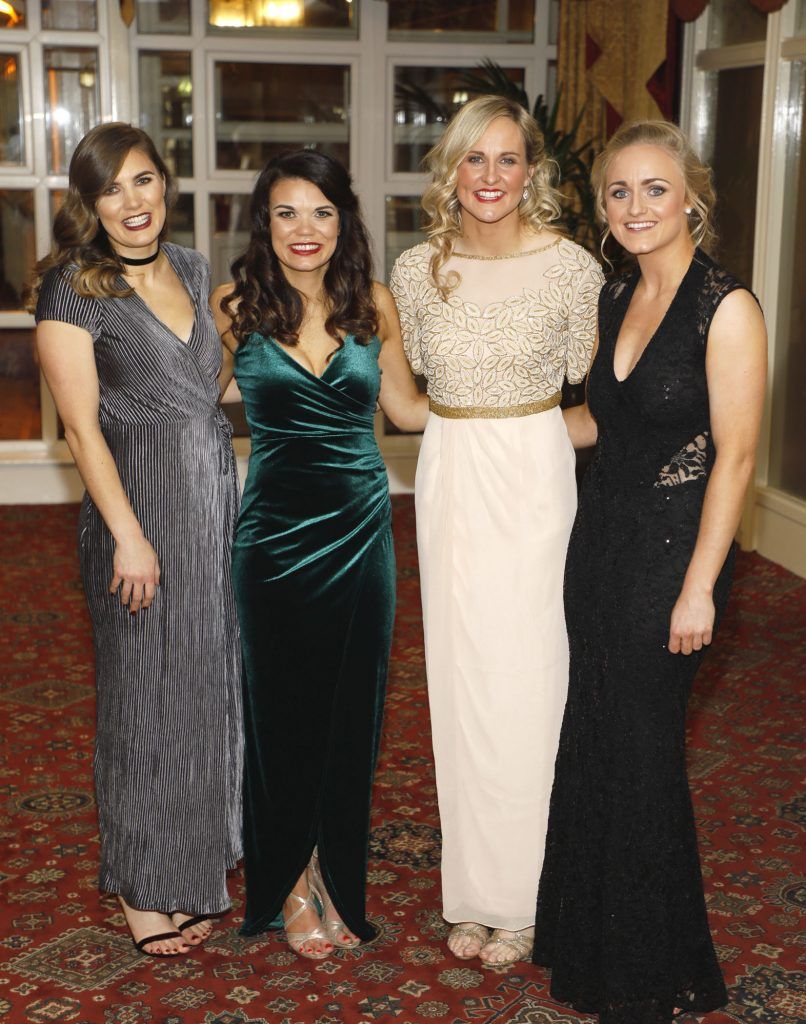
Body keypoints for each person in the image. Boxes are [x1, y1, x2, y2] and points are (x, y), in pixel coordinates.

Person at [533, 120, 767, 1024]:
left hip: (675, 556)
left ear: (691, 199)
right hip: (599, 548)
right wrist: (495, 439)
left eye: (655, 189)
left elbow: (736, 460)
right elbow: (605, 426)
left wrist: (701, 585)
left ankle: (647, 975)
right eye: (619, 193)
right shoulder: (615, 296)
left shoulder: (726, 306)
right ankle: (593, 947)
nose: (636, 207)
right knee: (596, 735)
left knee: (643, 756)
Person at [389, 95, 604, 967]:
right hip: (449, 480)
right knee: (461, 680)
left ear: (532, 172)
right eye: (473, 159)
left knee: (532, 679)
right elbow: (403, 399)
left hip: (537, 482)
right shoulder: (414, 270)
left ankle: (528, 896)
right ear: (452, 170)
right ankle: (474, 893)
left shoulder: (573, 269)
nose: (490, 177)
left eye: (507, 159)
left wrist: (530, 436)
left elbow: (605, 403)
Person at [30, 123, 242, 958]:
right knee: (141, 700)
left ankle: (192, 868)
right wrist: (128, 536)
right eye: (111, 189)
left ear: (166, 186)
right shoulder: (71, 290)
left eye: (144, 181)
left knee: (202, 686)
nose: (132, 202)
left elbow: (206, 384)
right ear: (89, 203)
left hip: (212, 507)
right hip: (137, 516)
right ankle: (141, 889)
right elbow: (81, 431)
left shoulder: (194, 270)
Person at [212, 150, 428, 959]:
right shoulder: (233, 305)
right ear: (264, 224)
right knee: (278, 716)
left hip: (359, 539)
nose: (306, 231)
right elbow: (188, 404)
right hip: (270, 541)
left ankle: (335, 877)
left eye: (322, 212)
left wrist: (512, 410)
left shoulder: (373, 302)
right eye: (286, 213)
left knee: (349, 717)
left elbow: (407, 409)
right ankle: (288, 883)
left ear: (346, 220)